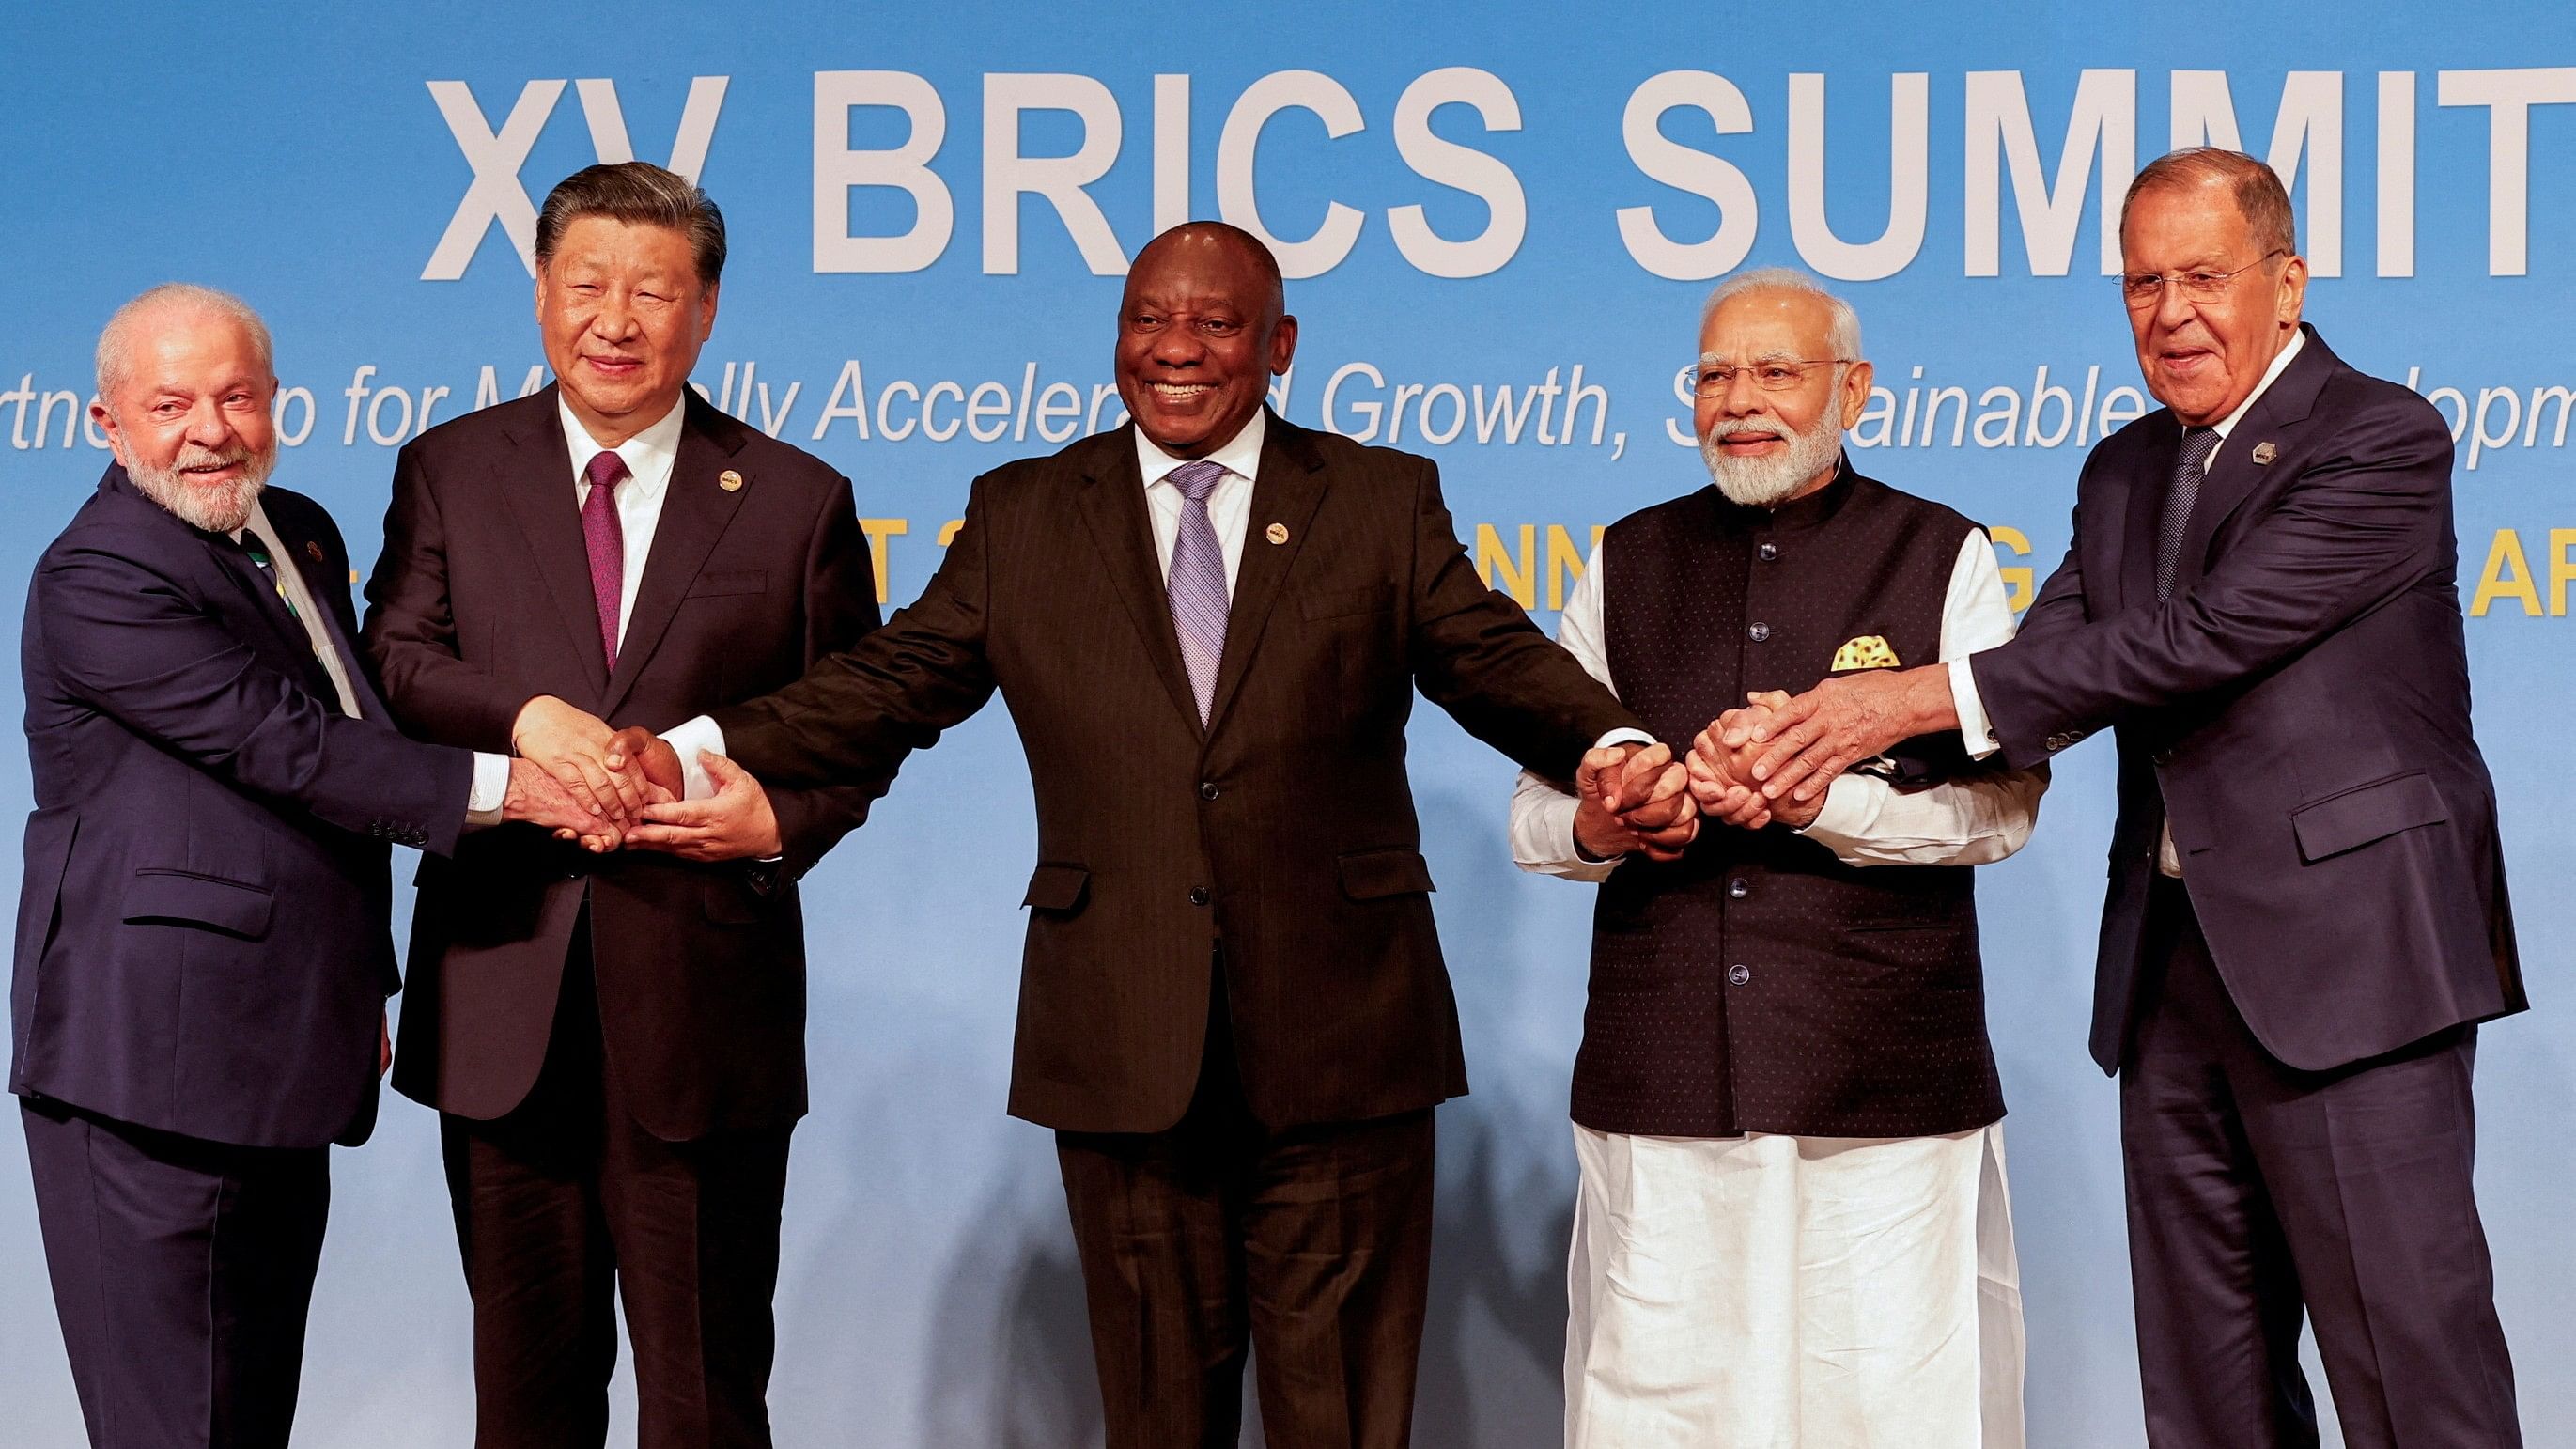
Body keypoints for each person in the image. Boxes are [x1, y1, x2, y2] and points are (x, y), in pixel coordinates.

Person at [613, 220, 1688, 1447]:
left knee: (1338, 1414)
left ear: (1277, 345)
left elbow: (1489, 655)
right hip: (1119, 1034)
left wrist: (1607, 746)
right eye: (1145, 319)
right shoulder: (1022, 513)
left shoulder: (1380, 499)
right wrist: (702, 746)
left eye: (1214, 323)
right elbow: (888, 682)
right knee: (1154, 1416)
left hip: (1341, 1039)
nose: (1173, 348)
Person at [1711, 149, 2524, 1447]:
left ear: (2287, 279)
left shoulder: (2377, 435)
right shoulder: (2123, 468)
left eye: (2203, 275)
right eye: (2141, 283)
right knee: (2204, 1387)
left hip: (2353, 965)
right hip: (2172, 977)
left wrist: (1901, 695)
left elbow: (2201, 635)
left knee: (2407, 1368)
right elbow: (2049, 669)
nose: (2170, 312)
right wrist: (1829, 745)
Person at [11, 284, 604, 1449]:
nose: (210, 429)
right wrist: (517, 785)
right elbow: (281, 744)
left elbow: (358, 723)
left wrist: (353, 982)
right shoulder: (98, 573)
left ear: (277, 402)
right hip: (147, 1071)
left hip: (285, 1050)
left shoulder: (302, 529)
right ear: (105, 422)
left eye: (236, 396)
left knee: (246, 1419)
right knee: (175, 1428)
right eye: (171, 403)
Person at [358, 162, 881, 1448]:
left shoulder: (793, 497)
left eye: (654, 290)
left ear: (706, 311)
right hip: (501, 992)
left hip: (701, 1009)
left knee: (704, 1400)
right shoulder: (448, 467)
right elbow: (395, 659)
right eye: (588, 284)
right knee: (526, 1400)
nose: (617, 319)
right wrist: (525, 718)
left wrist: (782, 826)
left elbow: (852, 720)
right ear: (539, 293)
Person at [1511, 267, 2044, 1448]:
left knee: (1895, 1404)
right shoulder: (1626, 559)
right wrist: (1607, 825)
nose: (1739, 400)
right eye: (1714, 374)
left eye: (1775, 372)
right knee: (1661, 1403)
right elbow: (1534, 816)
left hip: (1884, 1085)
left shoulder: (1942, 552)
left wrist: (1818, 800)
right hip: (1665, 1084)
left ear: (1852, 390)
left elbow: (2002, 813)